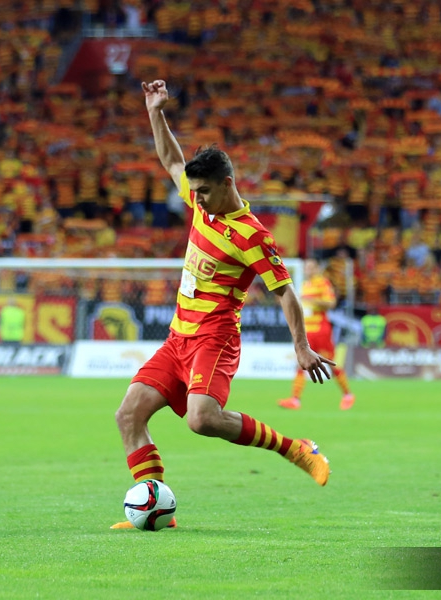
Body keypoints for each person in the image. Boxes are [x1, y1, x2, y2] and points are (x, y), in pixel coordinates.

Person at [111, 80, 334, 530]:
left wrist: (301, 347)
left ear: (227, 184)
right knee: (128, 414)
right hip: (177, 339)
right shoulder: (200, 203)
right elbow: (171, 160)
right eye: (194, 191)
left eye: (205, 192)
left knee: (201, 419)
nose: (197, 199)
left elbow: (285, 291)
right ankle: (155, 507)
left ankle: (296, 449)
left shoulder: (252, 235)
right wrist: (155, 112)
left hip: (214, 339)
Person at [278, 258, 355, 411]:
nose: (308, 270)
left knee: (331, 363)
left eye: (311, 267)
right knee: (301, 362)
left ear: (317, 269)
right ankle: (295, 399)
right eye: (306, 267)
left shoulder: (323, 283)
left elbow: (331, 303)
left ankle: (348, 395)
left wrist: (312, 300)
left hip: (321, 331)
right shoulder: (305, 285)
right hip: (308, 331)